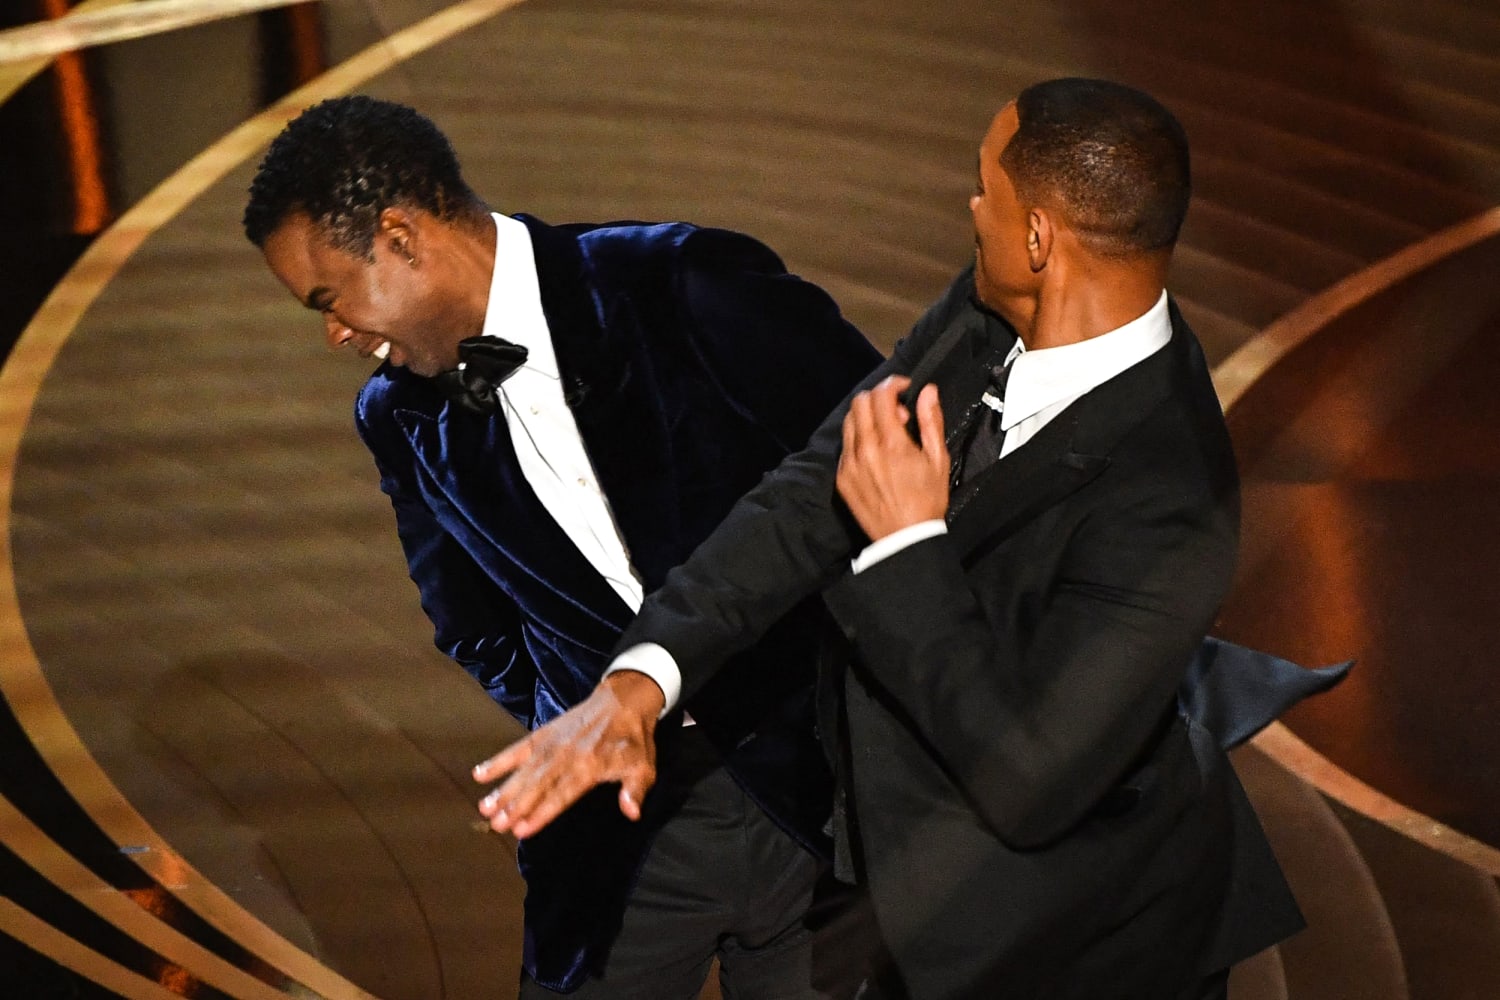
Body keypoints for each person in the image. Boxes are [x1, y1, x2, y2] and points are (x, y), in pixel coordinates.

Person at [474, 79, 1334, 999]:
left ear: (1040, 236)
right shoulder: (988, 313)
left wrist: (908, 544)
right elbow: (813, 493)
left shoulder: (1174, 497)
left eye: (984, 190)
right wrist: (644, 678)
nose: (969, 208)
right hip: (906, 902)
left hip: (1078, 949)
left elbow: (1029, 780)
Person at [242, 95, 885, 998]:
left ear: (399, 235)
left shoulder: (683, 283)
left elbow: (892, 466)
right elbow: (471, 623)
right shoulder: (398, 418)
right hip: (613, 844)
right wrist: (575, 711)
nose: (334, 333)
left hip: (819, 806)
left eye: (330, 297)